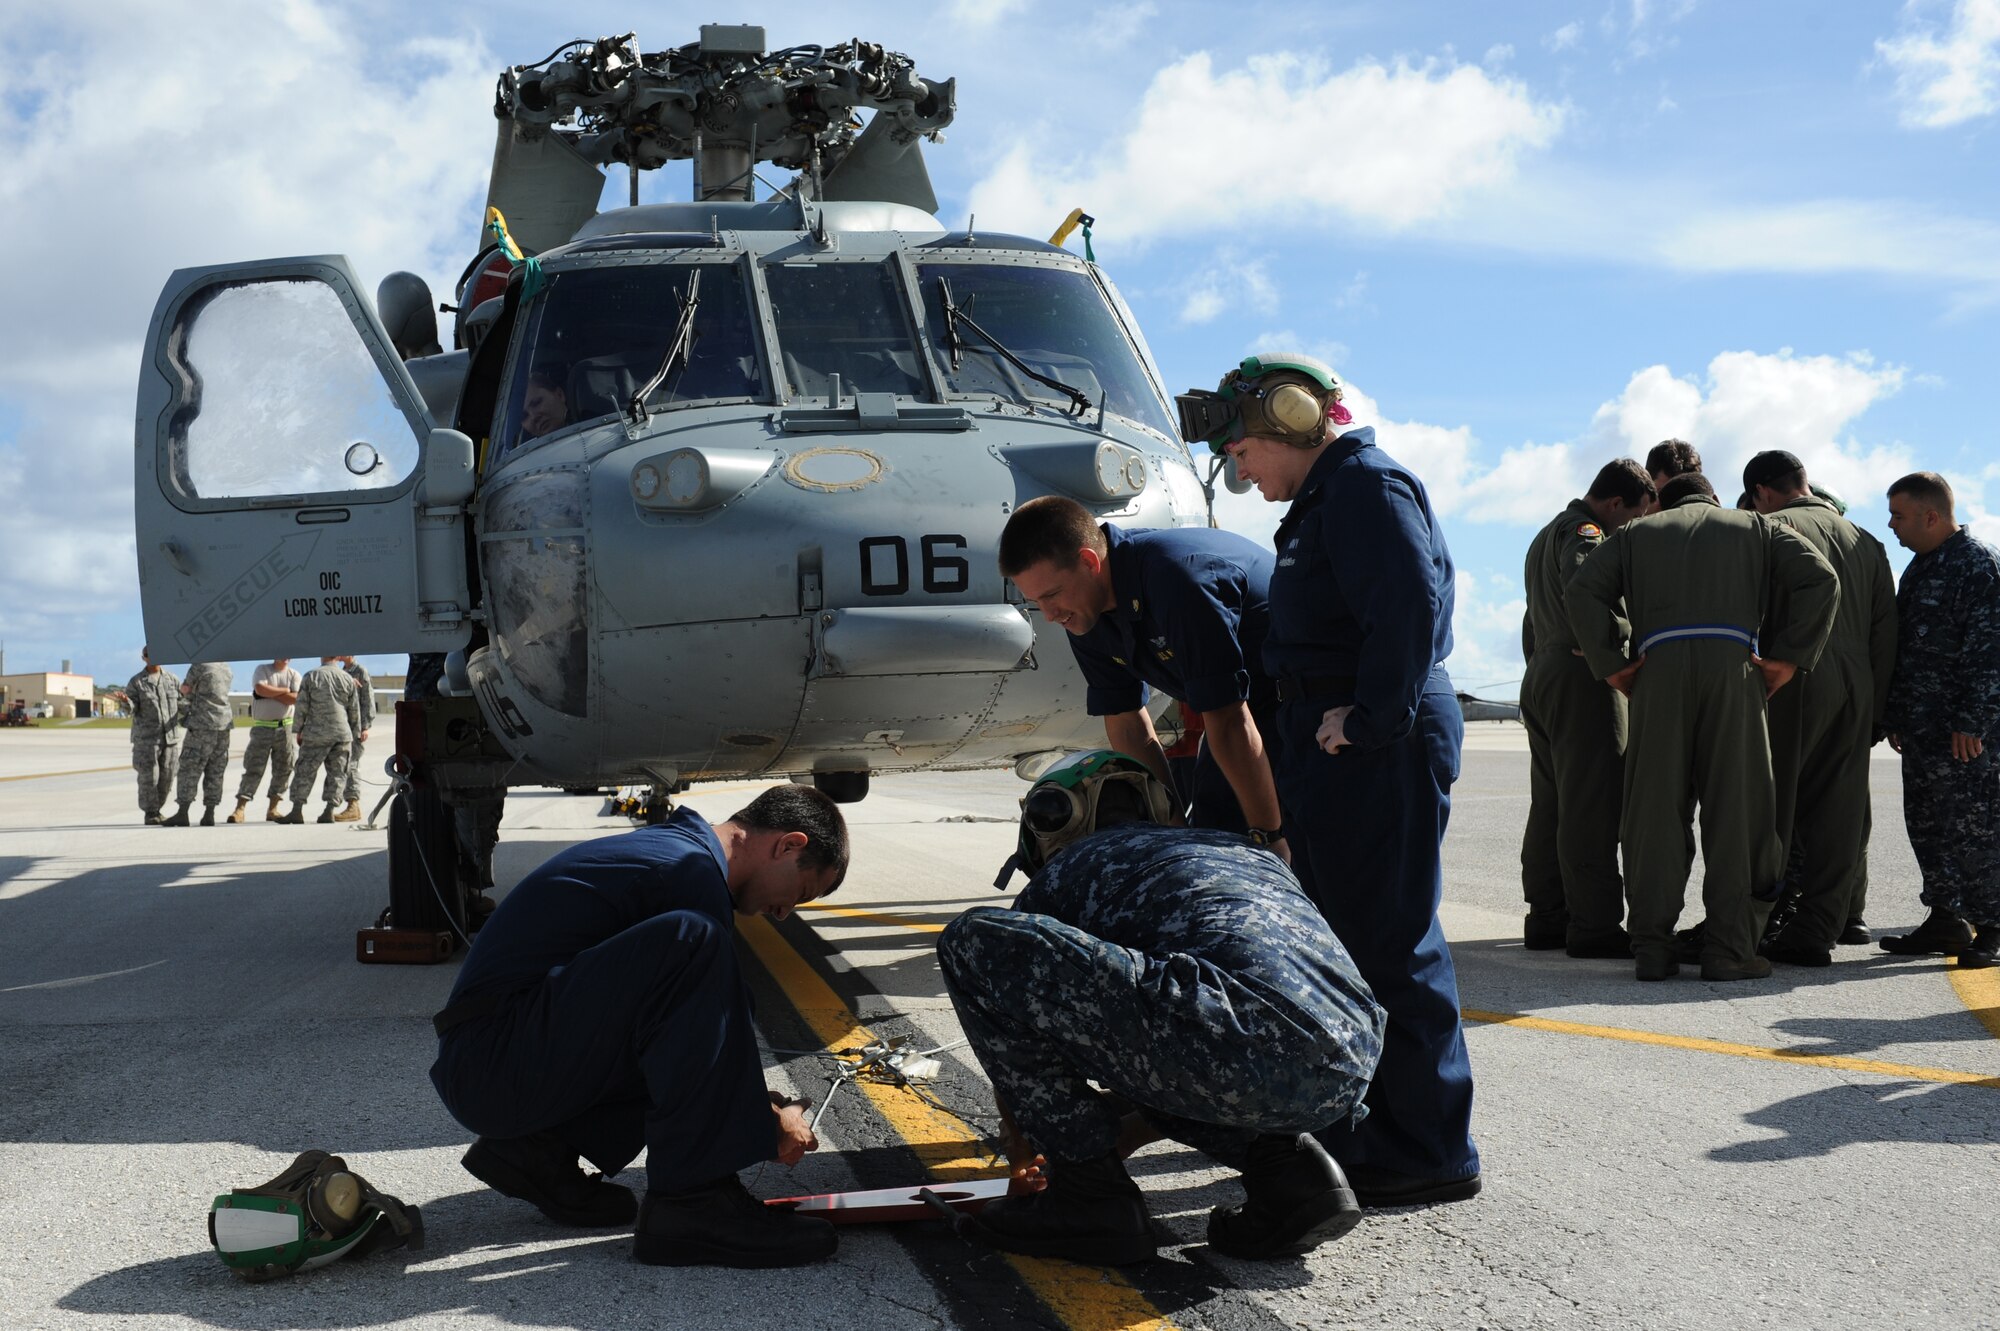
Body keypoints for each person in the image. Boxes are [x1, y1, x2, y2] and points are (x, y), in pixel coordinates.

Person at [1185, 351, 1481, 1206]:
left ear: (1291, 416)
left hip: (1375, 737)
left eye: (1242, 448)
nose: (1237, 466)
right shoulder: (1324, 500)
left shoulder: (1364, 487)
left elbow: (1409, 610)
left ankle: (1428, 1147)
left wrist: (1370, 716)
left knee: (1391, 940)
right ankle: (1374, 1128)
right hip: (1339, 739)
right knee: (1350, 941)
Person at [938, 751, 1384, 1264]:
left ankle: (1090, 1199)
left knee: (971, 941)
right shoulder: (1241, 850)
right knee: (1176, 1018)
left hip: (1230, 1042)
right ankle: (1293, 1175)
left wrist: (1039, 1143)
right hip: (1351, 1067)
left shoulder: (1073, 869)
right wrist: (1123, 1123)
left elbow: (1015, 1001)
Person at [430, 786, 850, 1267]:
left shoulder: (680, 854)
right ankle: (694, 1202)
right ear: (788, 845)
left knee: (700, 985)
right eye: (798, 894)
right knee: (694, 943)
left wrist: (758, 1106)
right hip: (495, 1064)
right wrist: (765, 1122)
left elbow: (683, 1034)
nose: (782, 913)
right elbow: (704, 1036)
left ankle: (538, 1153)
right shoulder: (686, 870)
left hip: (498, 1056)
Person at [1566, 472, 1840, 981]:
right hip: (1734, 671)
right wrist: (1789, 659)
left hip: (1657, 672)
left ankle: (1651, 948)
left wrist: (1611, 664)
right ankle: (1730, 951)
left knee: (1654, 814)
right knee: (1739, 814)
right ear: (1712, 498)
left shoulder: (1632, 535)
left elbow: (1582, 592)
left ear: (1661, 506)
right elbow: (1821, 578)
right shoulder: (1754, 527)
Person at [997, 494, 1289, 854]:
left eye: (1052, 595)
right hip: (1242, 717)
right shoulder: (1084, 613)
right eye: (1036, 600)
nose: (1049, 615)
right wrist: (1173, 828)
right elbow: (1127, 724)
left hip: (1315, 705)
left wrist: (1269, 837)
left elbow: (1229, 720)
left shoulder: (1176, 577)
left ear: (1089, 562)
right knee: (1216, 845)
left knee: (1302, 861)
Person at [1743, 451, 1897, 964]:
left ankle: (1754, 923)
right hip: (1857, 683)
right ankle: (1817, 931)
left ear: (1762, 492)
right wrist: (1876, 708)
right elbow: (1884, 631)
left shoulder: (1769, 528)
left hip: (1794, 672)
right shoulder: (1866, 540)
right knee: (1840, 810)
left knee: (1774, 805)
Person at [1518, 459, 1656, 956]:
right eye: (1636, 516)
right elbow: (1586, 586)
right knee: (1592, 807)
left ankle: (1548, 916)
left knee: (1552, 805)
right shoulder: (1586, 533)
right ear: (1616, 504)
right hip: (1582, 677)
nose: (1636, 527)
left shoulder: (1545, 534)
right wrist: (1611, 650)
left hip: (1543, 673)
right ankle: (1594, 924)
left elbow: (1534, 616)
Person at [1878, 471, 2000, 968]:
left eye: (1899, 515)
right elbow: (1908, 649)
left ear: (1931, 516)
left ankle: (1992, 926)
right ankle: (1947, 918)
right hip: (1924, 730)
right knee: (1929, 826)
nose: (1891, 525)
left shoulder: (1978, 567)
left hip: (1962, 734)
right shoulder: (1921, 568)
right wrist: (1897, 716)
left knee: (1978, 831)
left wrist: (1973, 721)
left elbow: (1989, 652)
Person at [278, 657, 361, 825]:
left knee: (304, 771)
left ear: (321, 656)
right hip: (341, 733)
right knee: (338, 773)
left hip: (316, 732)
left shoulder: (311, 676)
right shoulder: (347, 678)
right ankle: (329, 810)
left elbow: (302, 706)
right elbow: (354, 709)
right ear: (338, 657)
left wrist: (298, 729)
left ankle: (297, 810)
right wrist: (355, 732)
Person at [163, 661, 234, 827]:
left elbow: (185, 689)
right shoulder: (226, 667)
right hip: (223, 724)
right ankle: (209, 813)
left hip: (202, 723)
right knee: (216, 769)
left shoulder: (199, 666)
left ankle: (183, 812)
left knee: (190, 767)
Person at [231, 658, 299, 823]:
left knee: (284, 768)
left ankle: (273, 808)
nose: (284, 657)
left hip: (286, 728)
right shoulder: (262, 670)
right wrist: (284, 690)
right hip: (262, 728)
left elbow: (295, 698)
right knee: (253, 767)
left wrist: (272, 692)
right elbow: (260, 689)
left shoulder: (294, 675)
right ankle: (240, 809)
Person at [126, 647, 184, 826]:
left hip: (170, 737)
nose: (154, 659)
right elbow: (131, 707)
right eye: (149, 655)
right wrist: (124, 702)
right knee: (149, 777)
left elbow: (183, 703)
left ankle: (157, 809)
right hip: (147, 740)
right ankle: (150, 813)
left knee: (168, 776)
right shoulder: (137, 682)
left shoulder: (172, 680)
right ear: (144, 658)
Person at [336, 655, 375, 823]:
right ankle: (352, 805)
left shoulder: (360, 671)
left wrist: (365, 725)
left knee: (351, 765)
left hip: (356, 726)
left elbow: (368, 698)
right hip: (344, 726)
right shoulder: (341, 672)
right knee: (345, 765)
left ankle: (353, 804)